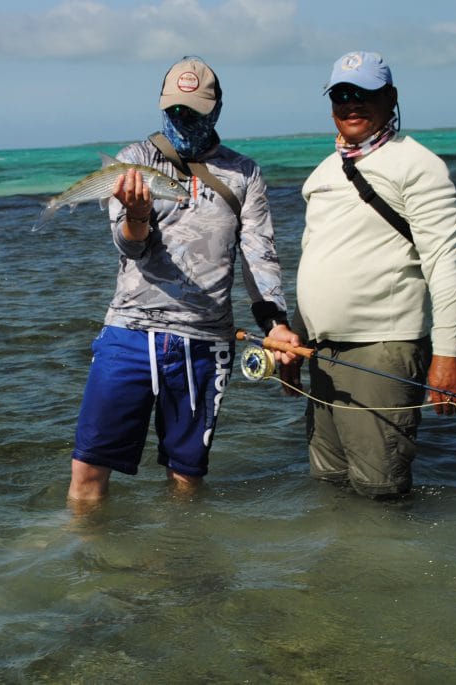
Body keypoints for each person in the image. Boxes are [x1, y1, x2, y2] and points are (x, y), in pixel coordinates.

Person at [68, 56, 300, 504]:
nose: (182, 119)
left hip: (206, 342)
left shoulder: (244, 173)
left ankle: (180, 563)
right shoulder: (134, 161)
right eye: (174, 110)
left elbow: (259, 254)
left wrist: (276, 324)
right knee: (87, 472)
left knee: (186, 482)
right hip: (130, 334)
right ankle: (89, 569)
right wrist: (137, 214)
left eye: (192, 111)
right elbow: (130, 246)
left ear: (215, 109)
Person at [283, 51, 456, 498]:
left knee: (380, 492)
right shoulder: (324, 171)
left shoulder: (418, 165)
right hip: (321, 354)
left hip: (380, 351)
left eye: (365, 94)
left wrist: (446, 354)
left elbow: (446, 262)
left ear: (391, 98)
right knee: (328, 484)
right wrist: (297, 341)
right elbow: (316, 258)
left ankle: (392, 567)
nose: (353, 104)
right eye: (342, 94)